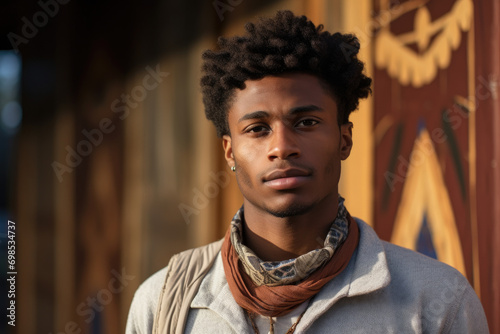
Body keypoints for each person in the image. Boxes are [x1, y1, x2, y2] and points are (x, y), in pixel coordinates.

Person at [126, 10, 489, 334]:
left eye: (307, 122)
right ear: (229, 150)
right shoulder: (162, 303)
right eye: (257, 128)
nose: (282, 146)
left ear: (344, 139)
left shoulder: (437, 300)